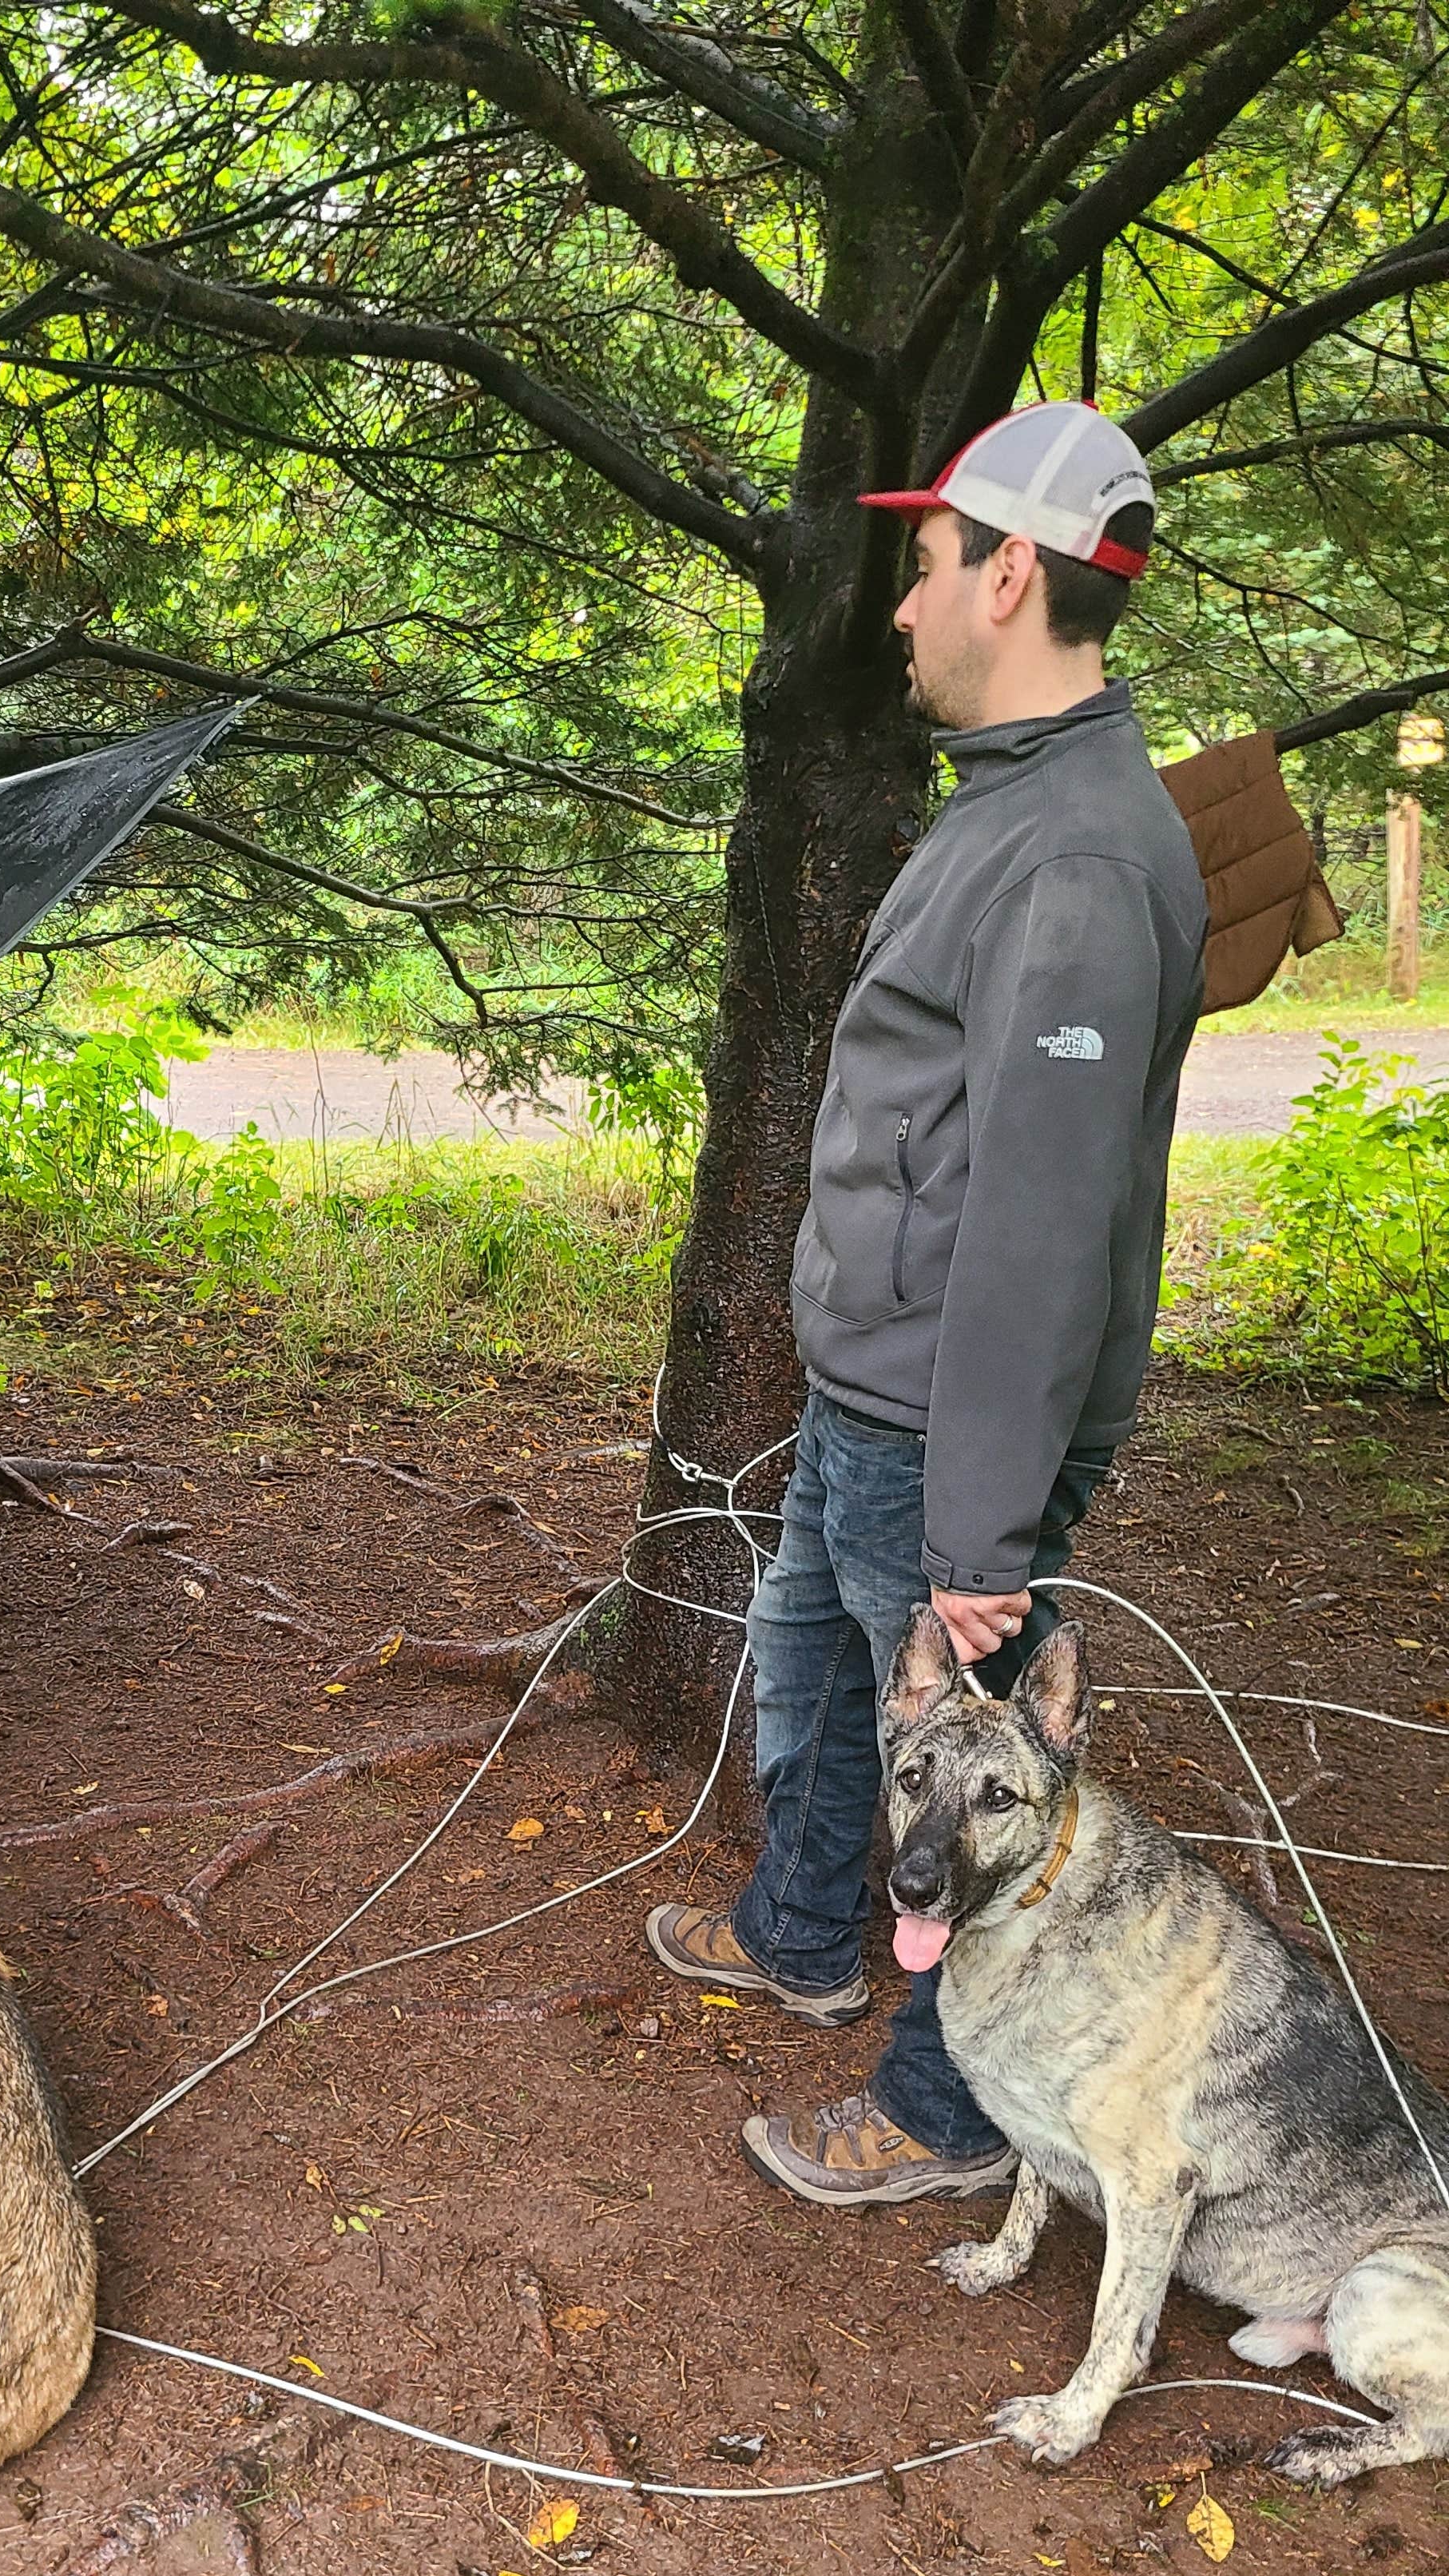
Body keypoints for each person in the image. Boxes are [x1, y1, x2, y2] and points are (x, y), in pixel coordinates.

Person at [646, 399, 1209, 2206]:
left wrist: (980, 1529)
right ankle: (805, 1932)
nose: (902, 606)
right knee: (808, 1682)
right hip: (865, 1399)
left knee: (956, 1781)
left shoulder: (1077, 860)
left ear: (1012, 575)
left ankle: (950, 2111)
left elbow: (1045, 1221)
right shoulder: (1017, 807)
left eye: (928, 564)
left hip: (938, 1442)